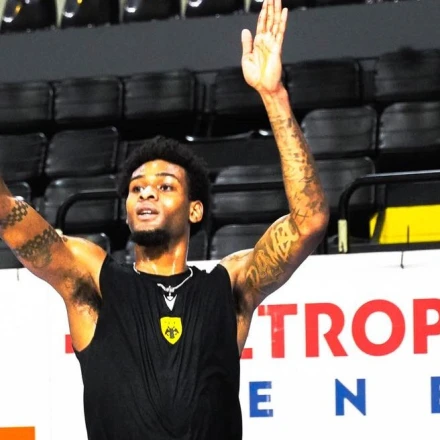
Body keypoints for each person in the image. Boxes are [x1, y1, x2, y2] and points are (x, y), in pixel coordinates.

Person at [0, 0, 329, 438]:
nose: (147, 192)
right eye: (136, 188)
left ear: (195, 209)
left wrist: (274, 96)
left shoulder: (229, 286)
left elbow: (309, 222)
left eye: (165, 185)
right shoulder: (94, 282)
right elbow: (7, 213)